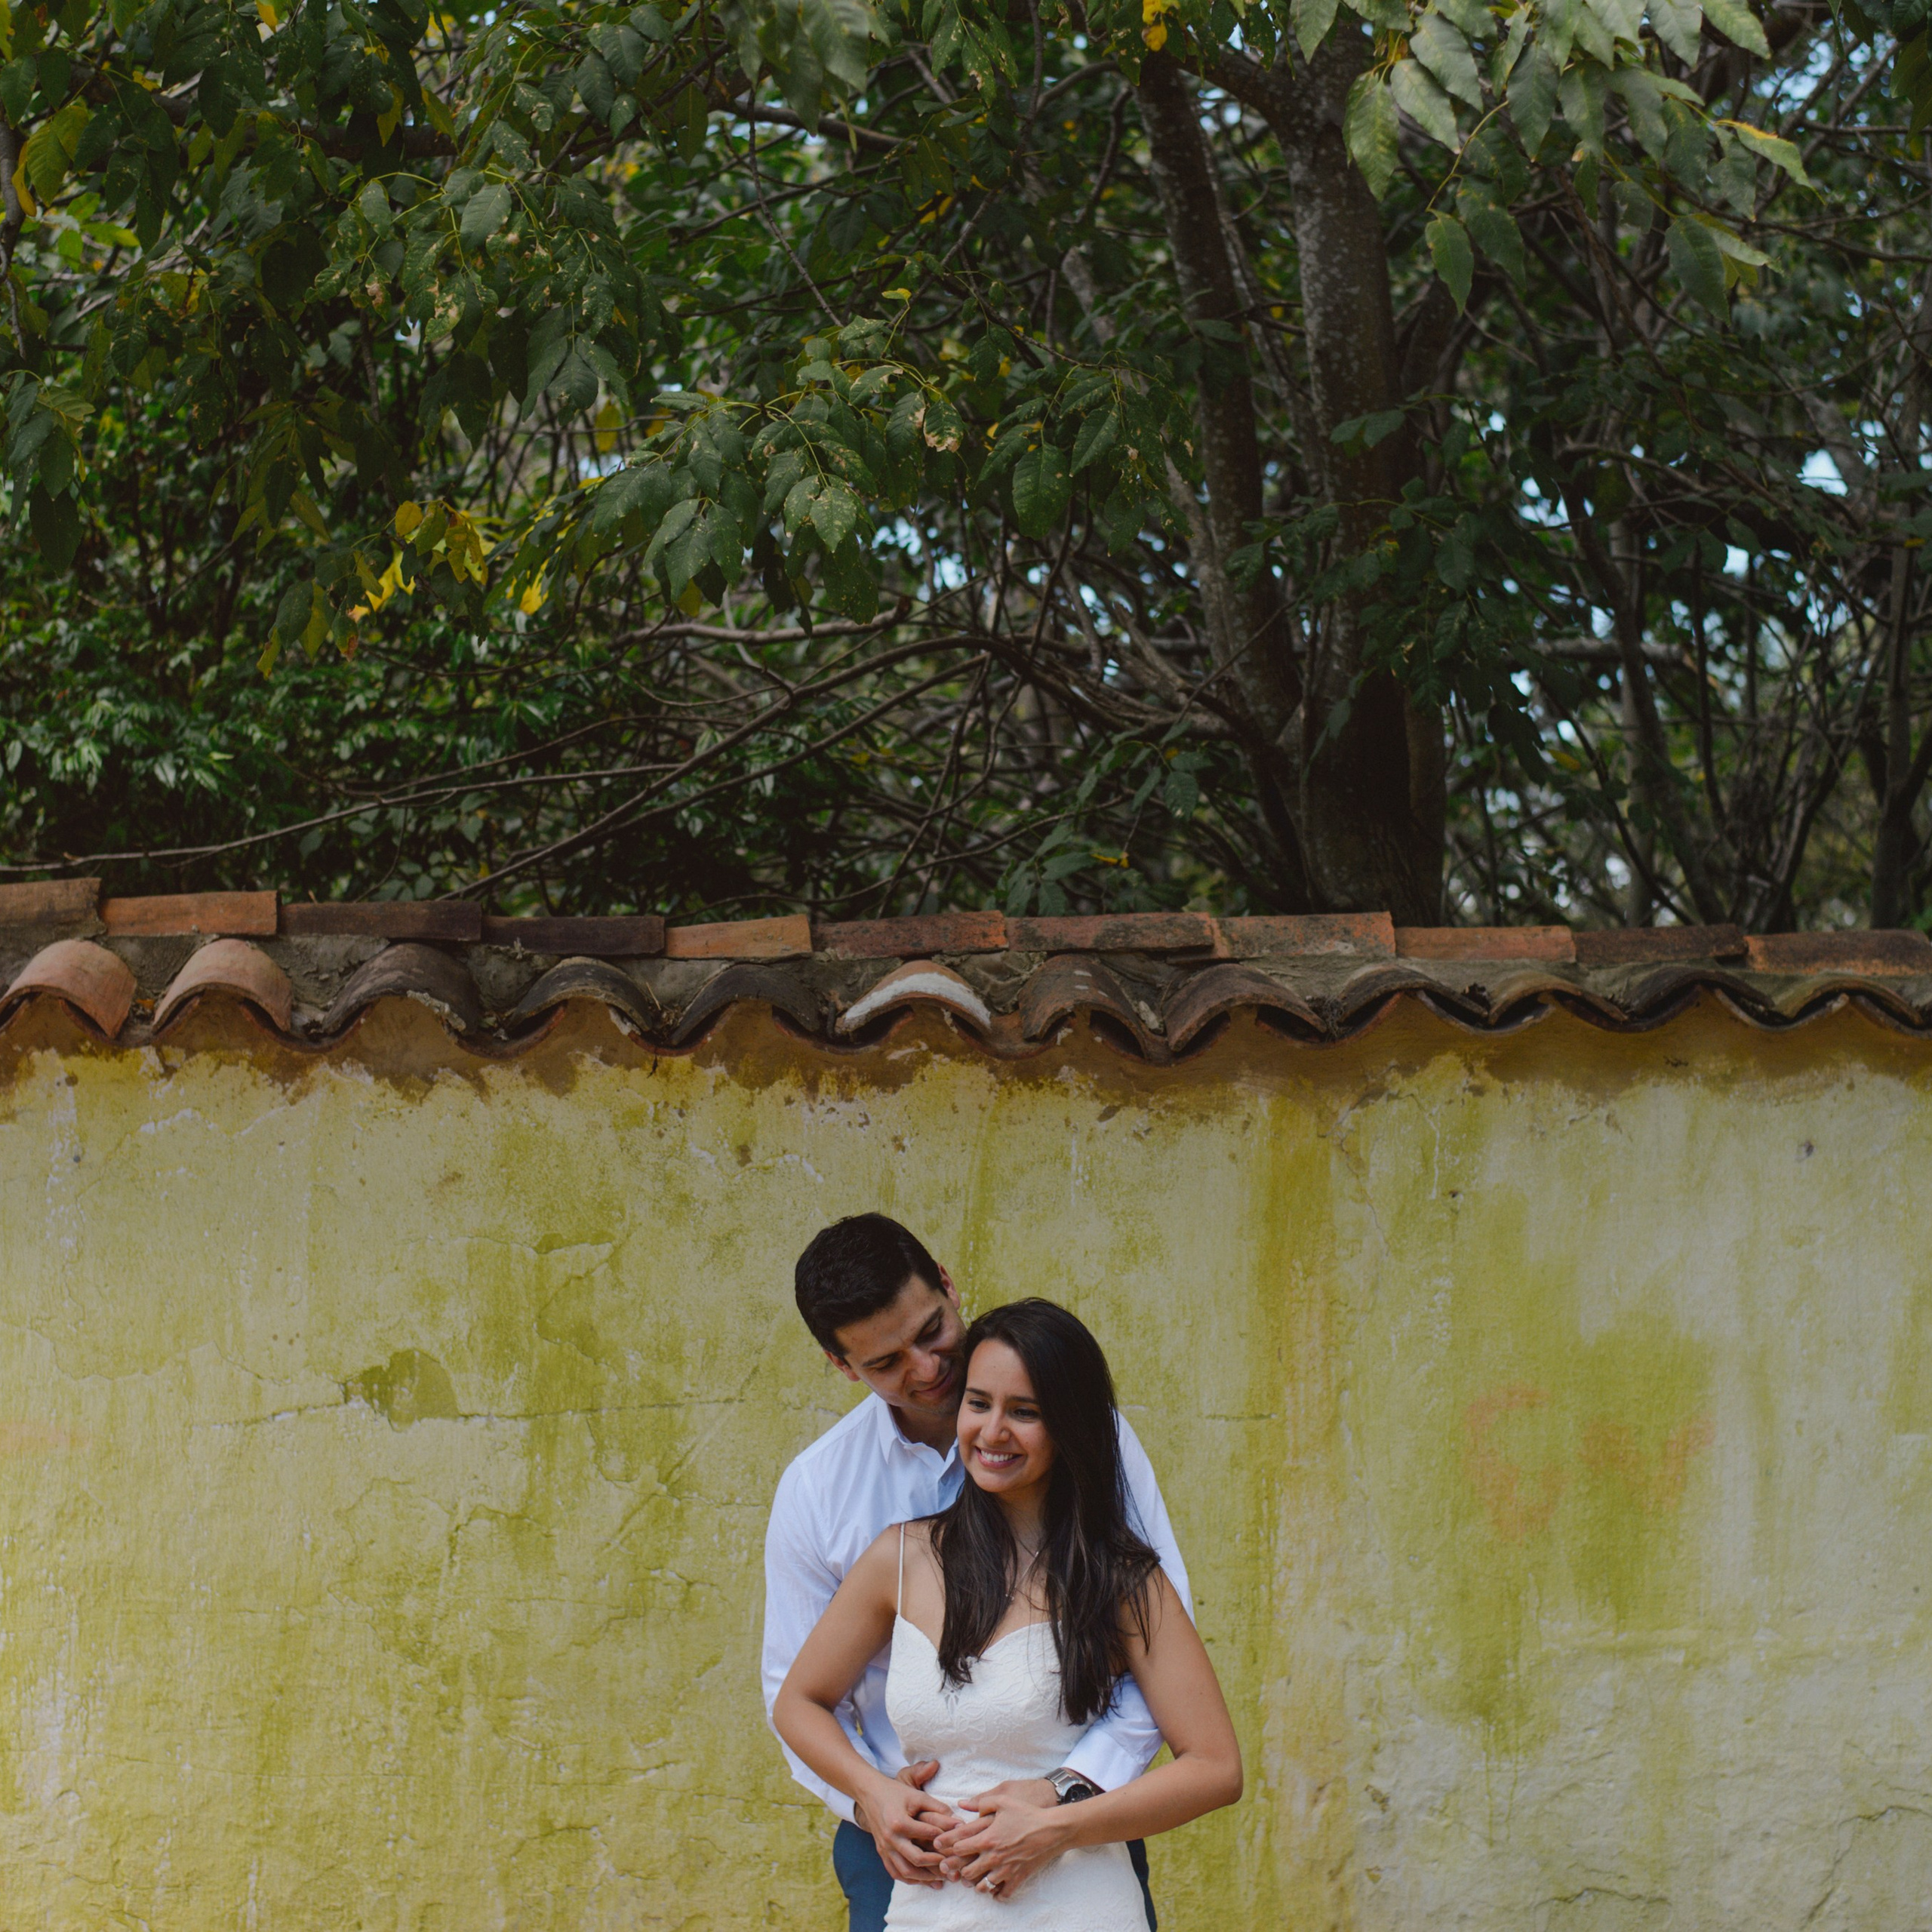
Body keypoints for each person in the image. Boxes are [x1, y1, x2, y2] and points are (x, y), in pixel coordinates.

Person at [761, 1216, 1194, 1932]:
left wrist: (1062, 1796)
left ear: (949, 1287)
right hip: (904, 1846)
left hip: (1077, 1828)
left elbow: (1155, 1642)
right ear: (844, 1368)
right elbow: (794, 1689)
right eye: (887, 1363)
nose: (927, 1369)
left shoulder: (1093, 1436)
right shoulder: (818, 1492)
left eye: (932, 1332)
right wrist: (873, 1797)